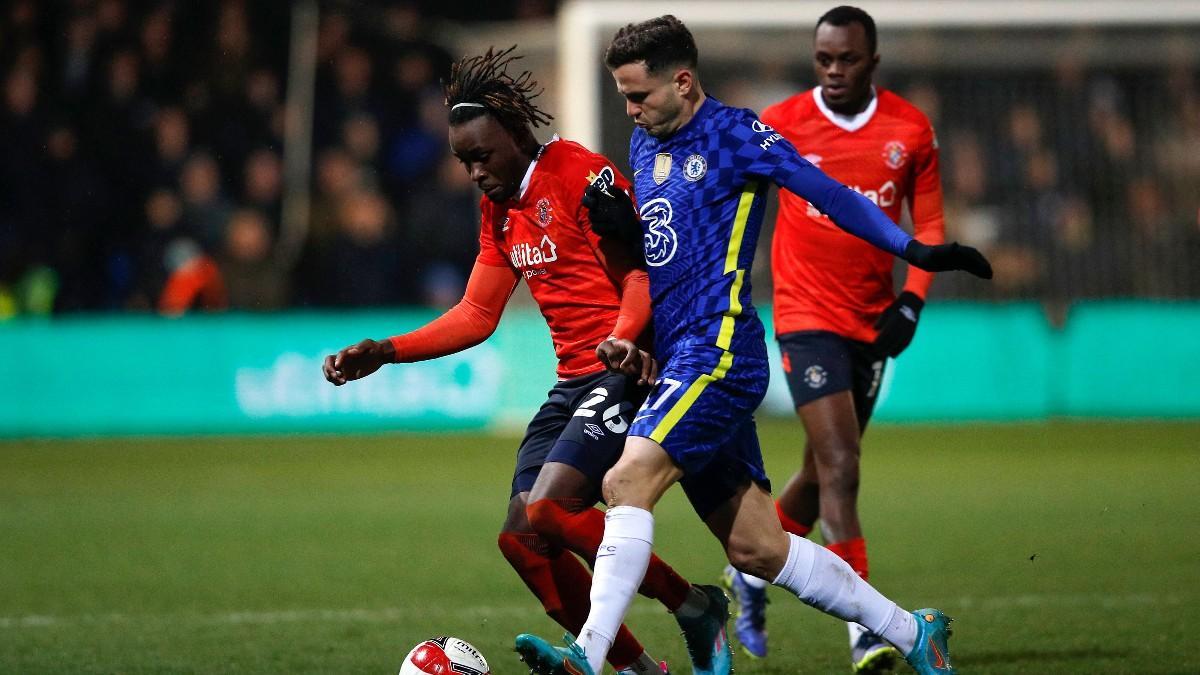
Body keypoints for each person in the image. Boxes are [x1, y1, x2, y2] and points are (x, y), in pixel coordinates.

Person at [514, 16, 991, 675]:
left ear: (682, 81)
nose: (629, 109)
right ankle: (913, 631)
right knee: (758, 547)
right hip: (675, 360)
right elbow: (663, 256)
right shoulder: (644, 143)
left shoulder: (737, 134)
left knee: (627, 478)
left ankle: (588, 657)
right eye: (623, 96)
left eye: (638, 94)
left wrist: (913, 249)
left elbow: (828, 193)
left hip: (720, 352)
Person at [322, 47, 726, 675]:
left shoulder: (580, 174)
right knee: (522, 538)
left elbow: (642, 277)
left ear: (516, 134)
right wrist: (388, 351)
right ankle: (640, 670)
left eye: (482, 156)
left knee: (550, 509)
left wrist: (622, 340)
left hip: (630, 369)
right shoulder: (498, 208)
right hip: (575, 382)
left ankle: (693, 606)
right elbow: (477, 314)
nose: (475, 173)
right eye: (463, 162)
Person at [720, 7, 946, 673]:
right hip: (804, 315)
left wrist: (913, 299)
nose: (835, 70)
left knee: (820, 475)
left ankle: (750, 569)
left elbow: (928, 221)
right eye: (824, 59)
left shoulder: (910, 128)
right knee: (843, 466)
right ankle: (868, 632)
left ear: (872, 61)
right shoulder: (784, 123)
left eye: (847, 59)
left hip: (872, 321)